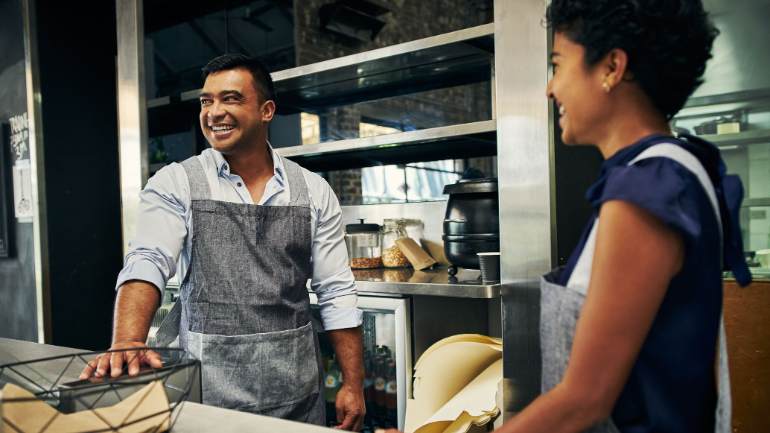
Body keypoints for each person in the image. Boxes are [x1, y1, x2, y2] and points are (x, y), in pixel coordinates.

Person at [381, 1, 751, 433]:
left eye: (558, 65)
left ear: (612, 67)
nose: (550, 88)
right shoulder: (675, 168)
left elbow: (583, 401)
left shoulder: (646, 192)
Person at [80, 53, 366, 430]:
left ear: (266, 110)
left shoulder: (313, 190)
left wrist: (352, 383)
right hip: (205, 394)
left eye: (230, 98)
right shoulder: (176, 182)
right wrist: (127, 341)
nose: (214, 112)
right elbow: (146, 259)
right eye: (206, 101)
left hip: (295, 392)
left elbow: (335, 291)